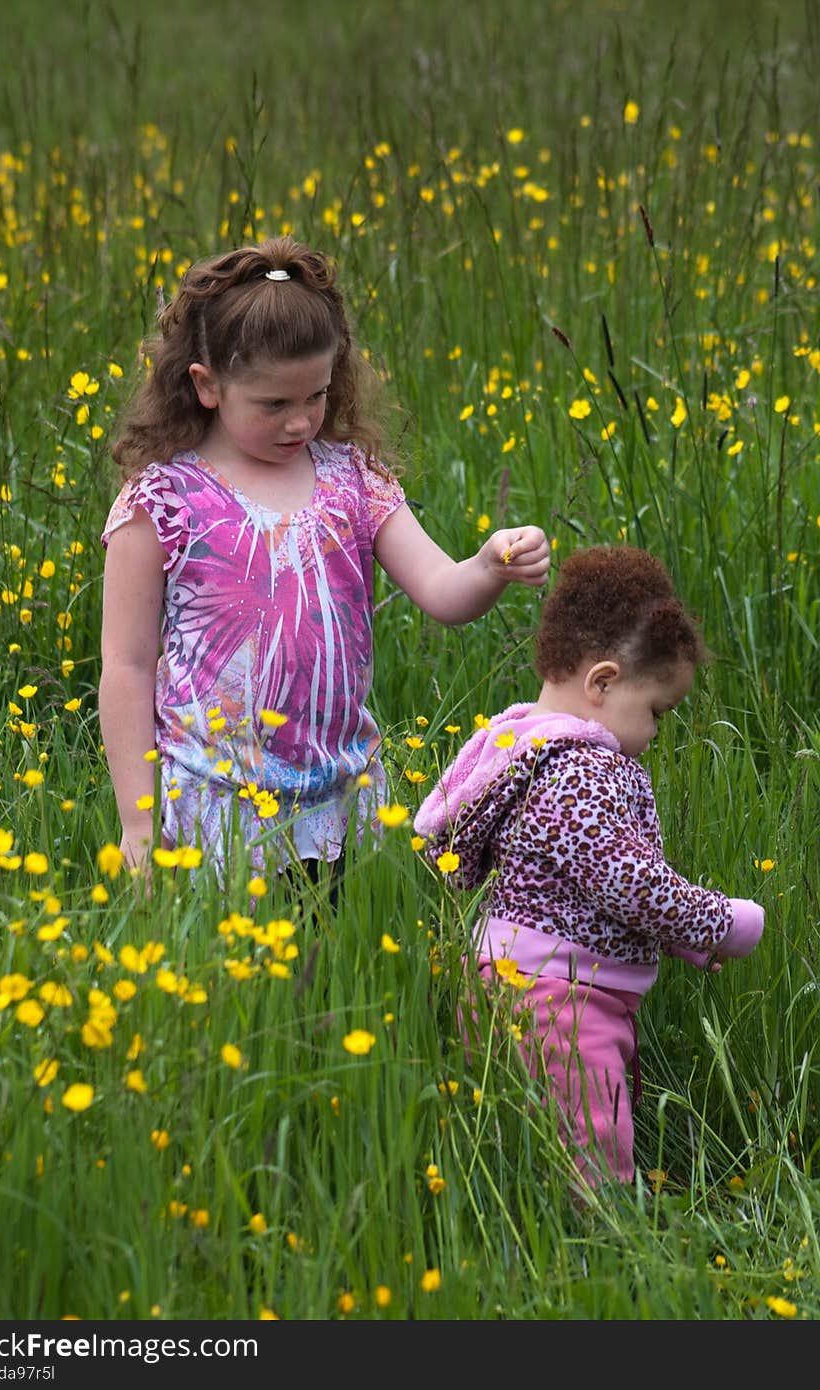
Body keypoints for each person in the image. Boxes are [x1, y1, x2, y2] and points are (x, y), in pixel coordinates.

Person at [98, 235, 550, 885]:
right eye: (274, 404)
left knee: (335, 963)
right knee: (239, 983)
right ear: (206, 386)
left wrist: (488, 566)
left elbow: (442, 590)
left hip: (339, 793)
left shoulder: (354, 480)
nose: (301, 422)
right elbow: (128, 664)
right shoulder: (163, 500)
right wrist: (137, 823)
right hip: (215, 803)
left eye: (316, 395)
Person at [413, 545, 764, 1188]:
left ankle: (516, 1239)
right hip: (562, 1002)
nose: (656, 734)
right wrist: (722, 923)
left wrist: (676, 939)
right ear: (601, 683)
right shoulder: (584, 770)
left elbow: (579, 885)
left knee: (513, 1153)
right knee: (591, 1162)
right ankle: (600, 1265)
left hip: (513, 979)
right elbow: (628, 882)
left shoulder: (520, 744)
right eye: (655, 712)